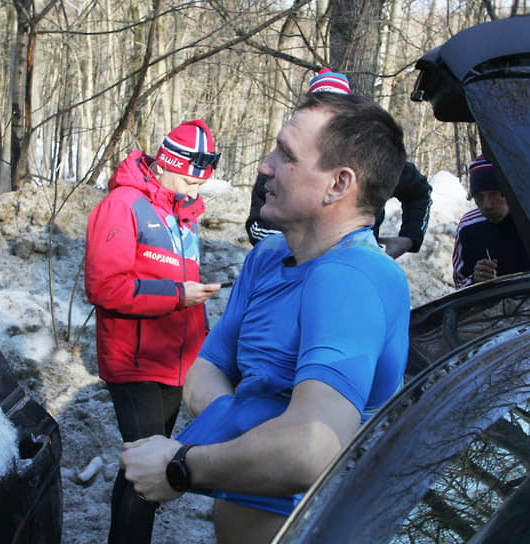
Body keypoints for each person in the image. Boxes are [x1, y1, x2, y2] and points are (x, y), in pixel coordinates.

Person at [119, 91, 411, 543]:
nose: (265, 166)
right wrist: (255, 434)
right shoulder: (271, 255)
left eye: (287, 155)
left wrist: (181, 467)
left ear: (338, 184)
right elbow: (204, 371)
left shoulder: (354, 278)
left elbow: (312, 447)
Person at [84, 119, 223, 544]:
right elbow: (105, 287)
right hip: (135, 363)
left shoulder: (184, 215)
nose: (194, 192)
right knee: (147, 473)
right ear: (165, 165)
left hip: (173, 363)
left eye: (201, 185)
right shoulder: (122, 205)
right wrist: (179, 294)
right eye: (187, 180)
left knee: (145, 466)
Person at [246, 68, 432, 259]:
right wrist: (299, 246)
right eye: (316, 106)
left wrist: (409, 237)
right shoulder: (278, 165)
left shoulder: (377, 163)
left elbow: (419, 192)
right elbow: (257, 227)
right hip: (283, 272)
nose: (266, 168)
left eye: (334, 112)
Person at [452, 155, 530, 288]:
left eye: (494, 194)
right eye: (479, 197)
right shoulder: (469, 227)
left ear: (510, 191)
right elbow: (460, 282)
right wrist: (475, 279)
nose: (487, 205)